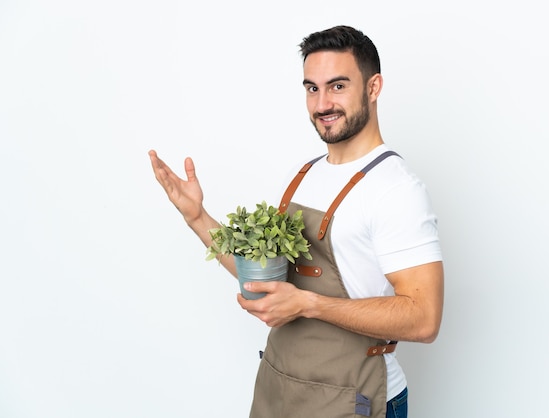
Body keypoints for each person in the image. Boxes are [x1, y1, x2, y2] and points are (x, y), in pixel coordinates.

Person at [149, 25, 444, 418]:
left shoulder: (395, 189)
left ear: (373, 88)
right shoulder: (302, 174)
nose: (322, 103)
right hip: (281, 388)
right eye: (312, 88)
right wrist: (197, 217)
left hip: (354, 397)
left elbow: (424, 318)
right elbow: (260, 278)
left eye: (338, 86)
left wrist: (308, 304)